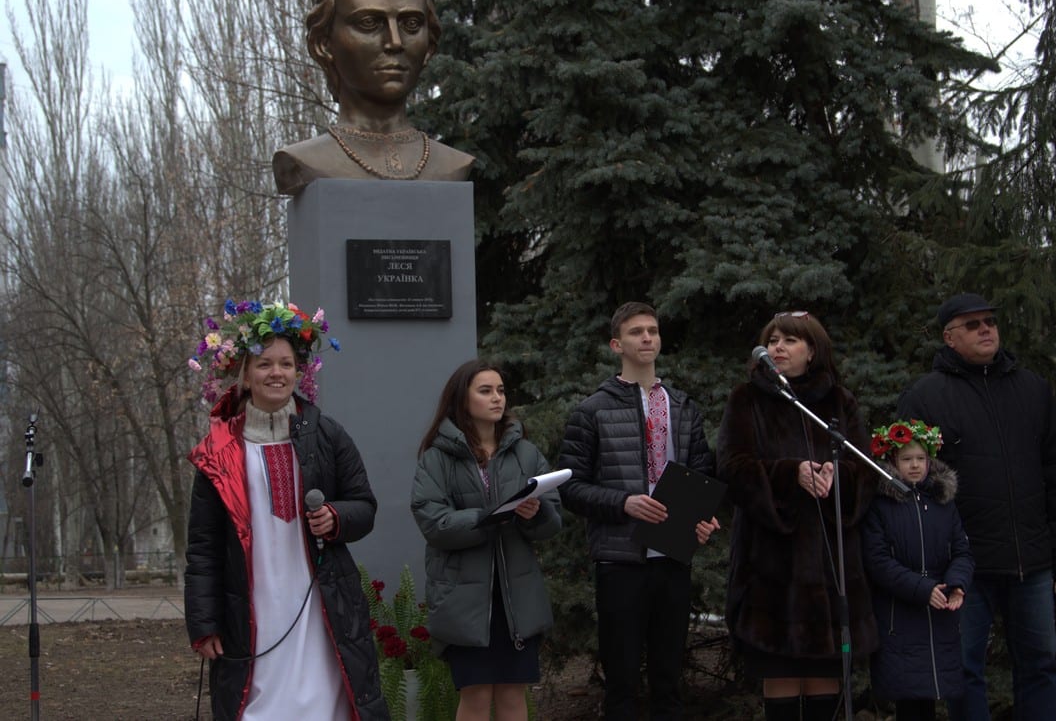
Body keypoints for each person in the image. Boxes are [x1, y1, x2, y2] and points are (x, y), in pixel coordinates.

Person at [184, 299, 388, 720]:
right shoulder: (219, 451)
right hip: (252, 604)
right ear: (244, 373)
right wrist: (204, 623)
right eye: (264, 364)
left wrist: (336, 517)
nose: (276, 373)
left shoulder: (327, 434)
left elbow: (364, 506)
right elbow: (202, 546)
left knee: (325, 703)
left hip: (319, 601)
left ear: (300, 372)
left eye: (286, 364)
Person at [896, 293, 1056, 721]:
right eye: (972, 324)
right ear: (949, 337)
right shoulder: (925, 396)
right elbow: (909, 481)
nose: (985, 330)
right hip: (963, 564)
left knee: (1040, 666)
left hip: (1029, 558)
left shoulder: (1032, 389)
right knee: (963, 669)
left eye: (990, 322)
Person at [559, 302, 719, 721]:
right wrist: (623, 502)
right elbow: (570, 488)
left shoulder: (683, 407)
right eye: (636, 332)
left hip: (672, 555)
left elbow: (703, 474)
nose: (646, 338)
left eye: (652, 330)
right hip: (620, 559)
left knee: (669, 681)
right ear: (617, 345)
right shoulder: (592, 410)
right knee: (622, 682)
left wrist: (704, 519)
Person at [718, 310, 879, 721]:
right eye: (773, 340)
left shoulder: (838, 401)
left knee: (825, 673)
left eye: (790, 340)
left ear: (813, 350)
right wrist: (791, 474)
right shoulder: (747, 400)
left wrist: (835, 475)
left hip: (829, 568)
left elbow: (867, 472)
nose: (778, 347)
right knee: (782, 672)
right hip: (771, 563)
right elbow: (733, 470)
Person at [410, 360, 562, 721]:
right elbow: (432, 521)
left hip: (517, 598)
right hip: (464, 599)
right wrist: (488, 517)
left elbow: (551, 521)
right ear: (462, 400)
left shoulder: (525, 453)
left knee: (513, 695)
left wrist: (534, 513)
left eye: (500, 390)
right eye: (485, 391)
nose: (497, 398)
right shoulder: (437, 457)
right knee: (475, 696)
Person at [273, 0, 474, 196]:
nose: (395, 42)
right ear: (324, 43)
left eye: (411, 24)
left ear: (430, 46)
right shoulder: (302, 162)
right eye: (369, 23)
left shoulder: (452, 166)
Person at [862, 419, 974, 721]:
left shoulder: (942, 503)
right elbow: (878, 561)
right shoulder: (881, 504)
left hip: (939, 614)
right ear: (893, 461)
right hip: (900, 615)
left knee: (929, 695)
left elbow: (962, 549)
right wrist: (922, 589)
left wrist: (957, 583)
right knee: (908, 697)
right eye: (906, 459)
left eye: (920, 459)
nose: (914, 466)